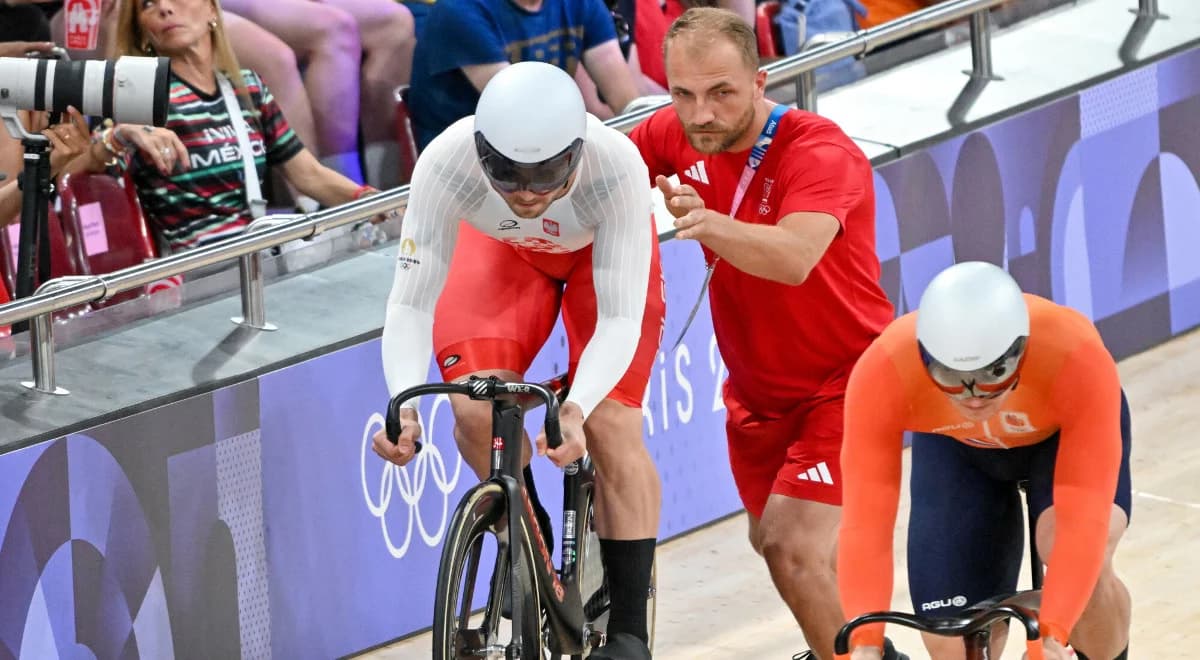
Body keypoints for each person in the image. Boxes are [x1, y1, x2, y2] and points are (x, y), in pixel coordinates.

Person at [627, 8, 897, 660]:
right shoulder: (676, 132)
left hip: (849, 384)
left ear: (759, 80)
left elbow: (795, 257)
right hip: (758, 397)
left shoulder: (819, 150)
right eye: (683, 94)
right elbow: (602, 179)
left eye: (721, 92)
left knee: (790, 546)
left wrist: (706, 223)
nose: (702, 114)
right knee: (786, 554)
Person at [370, 62, 664, 659]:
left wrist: (578, 406)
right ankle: (525, 543)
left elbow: (618, 320)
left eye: (546, 176)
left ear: (577, 153)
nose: (528, 193)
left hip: (597, 267)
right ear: (482, 152)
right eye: (508, 176)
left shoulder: (616, 166)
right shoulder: (446, 160)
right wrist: (402, 399)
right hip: (505, 255)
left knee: (610, 423)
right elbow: (410, 300)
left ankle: (630, 630)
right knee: (475, 407)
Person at [838, 261, 1132, 660]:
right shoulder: (883, 371)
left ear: (1021, 348)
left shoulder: (1075, 354)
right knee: (953, 639)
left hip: (1060, 442)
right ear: (924, 357)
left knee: (1079, 564)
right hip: (958, 450)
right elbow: (866, 523)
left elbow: (1084, 517)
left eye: (994, 373)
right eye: (951, 377)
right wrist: (865, 643)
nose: (974, 397)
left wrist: (1052, 635)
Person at [64, 0, 375, 254]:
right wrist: (117, 136)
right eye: (148, 5)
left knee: (366, 238)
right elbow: (74, 170)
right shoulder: (144, 99)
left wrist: (371, 201)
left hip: (258, 245)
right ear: (143, 34)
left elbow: (309, 175)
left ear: (213, 10)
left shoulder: (248, 88)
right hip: (199, 264)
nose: (165, 8)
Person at [405, 0, 639, 151]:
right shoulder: (459, 10)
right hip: (467, 164)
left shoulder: (581, 4)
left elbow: (626, 103)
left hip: (548, 152)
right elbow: (522, 111)